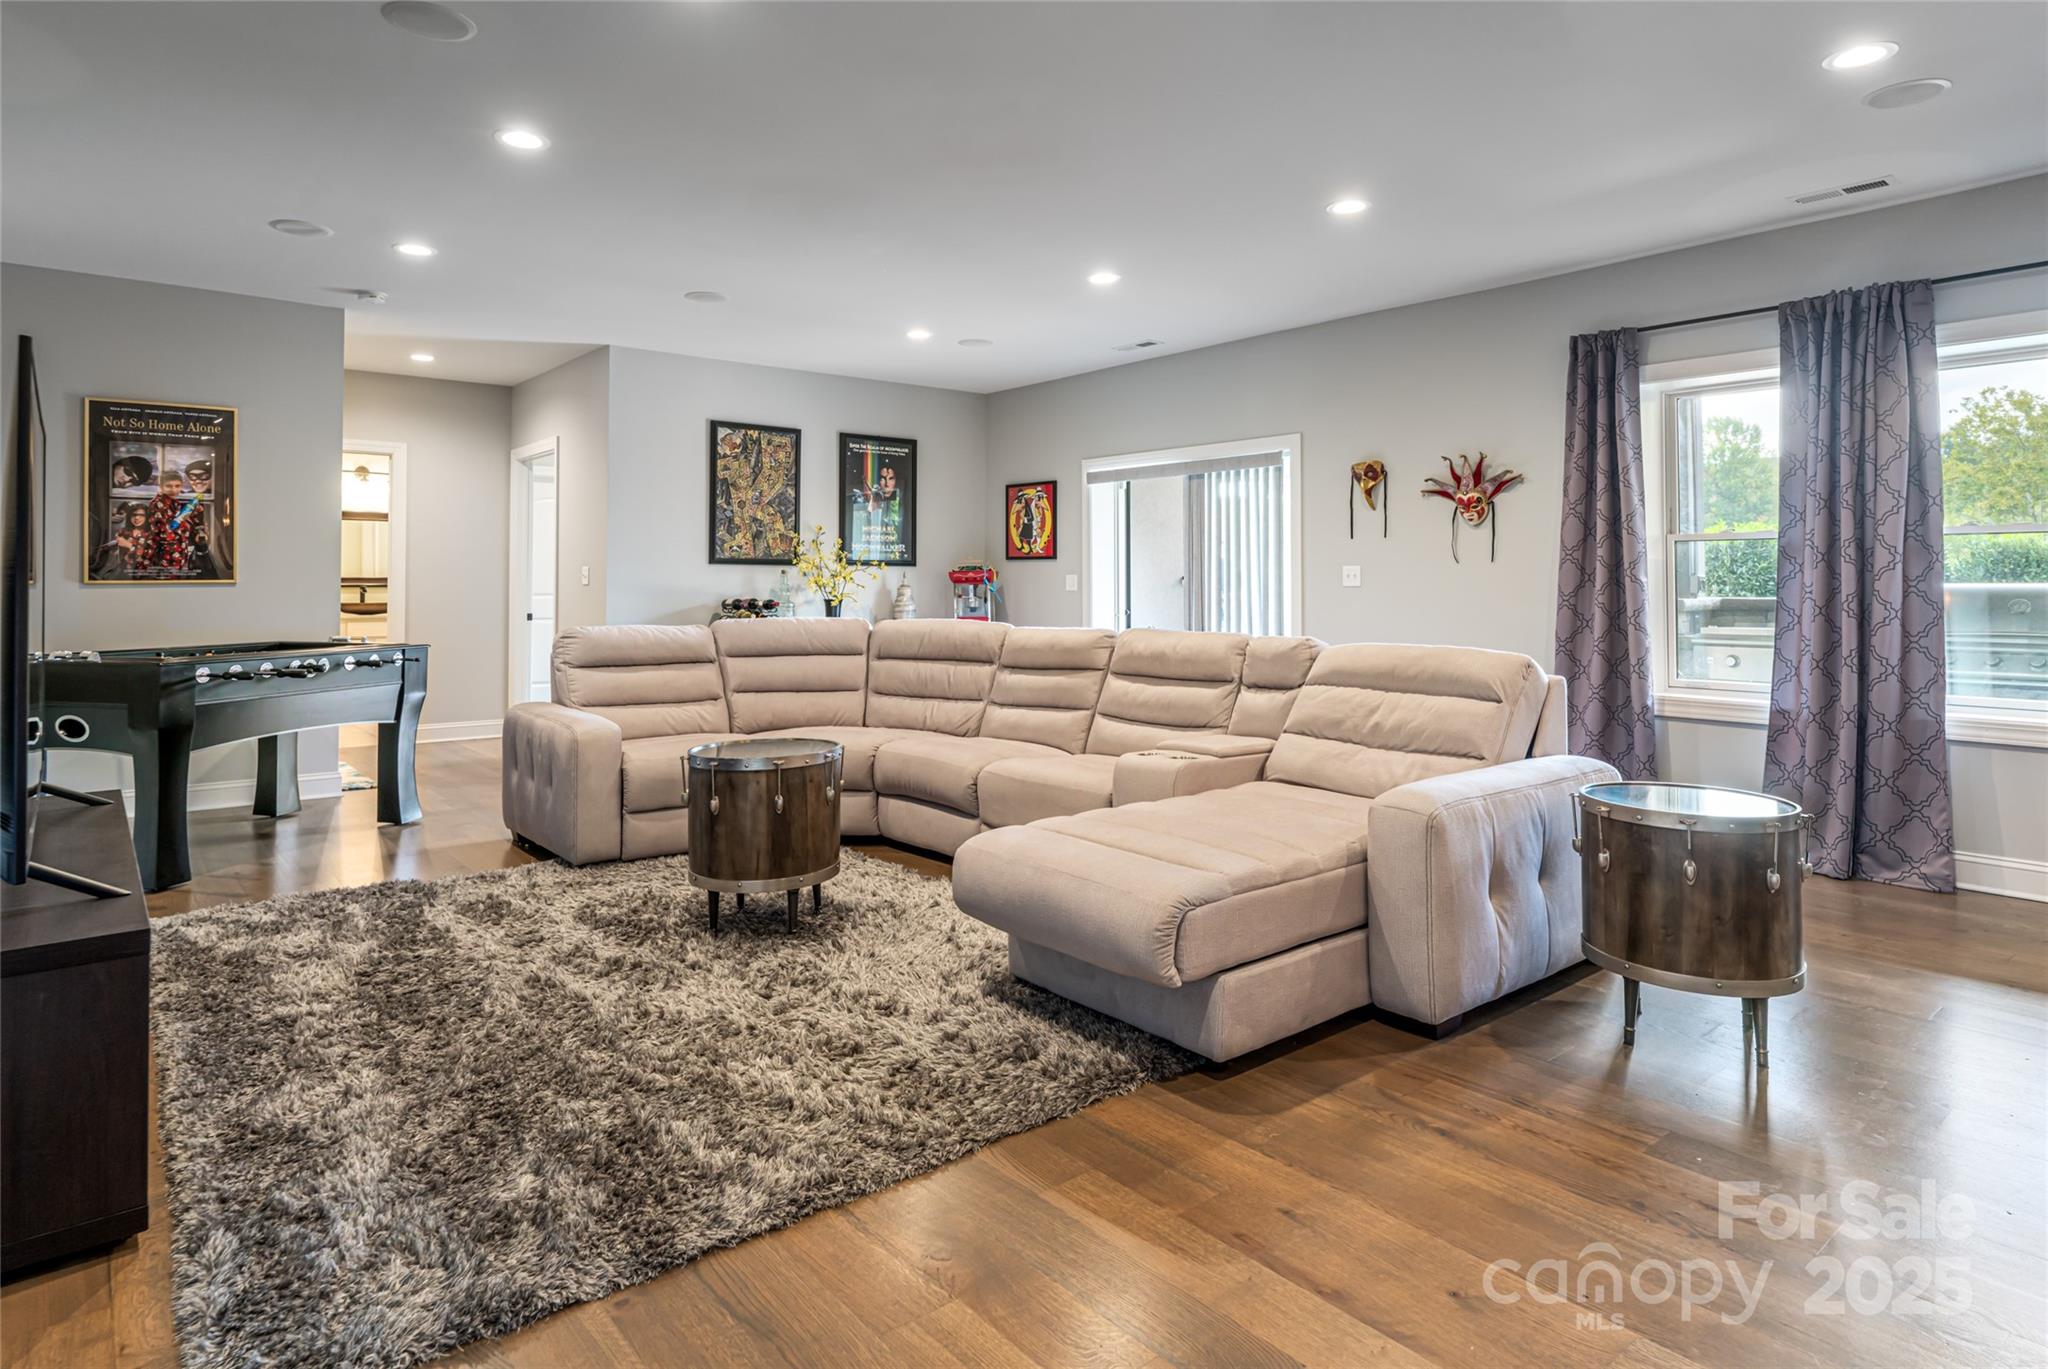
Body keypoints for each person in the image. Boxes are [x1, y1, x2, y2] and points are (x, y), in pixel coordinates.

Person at [133, 472, 203, 578]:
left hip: (174, 552)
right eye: (169, 486)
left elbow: (177, 522)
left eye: (177, 486)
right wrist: (184, 524)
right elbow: (164, 532)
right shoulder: (158, 503)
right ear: (161, 487)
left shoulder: (174, 503)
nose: (173, 490)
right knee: (164, 584)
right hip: (165, 553)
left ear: (182, 486)